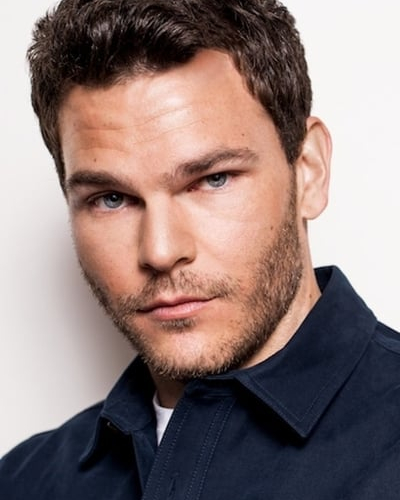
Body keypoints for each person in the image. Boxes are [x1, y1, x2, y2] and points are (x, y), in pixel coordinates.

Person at [1, 0, 400, 498]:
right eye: (111, 199)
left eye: (212, 180)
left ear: (309, 171)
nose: (160, 251)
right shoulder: (23, 482)